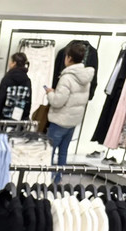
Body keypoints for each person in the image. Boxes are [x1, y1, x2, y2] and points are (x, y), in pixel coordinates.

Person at [45, 42, 95, 182]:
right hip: (73, 121)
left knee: (49, 151)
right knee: (63, 152)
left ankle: (47, 179)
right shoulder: (86, 77)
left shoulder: (67, 77)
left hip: (59, 120)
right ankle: (58, 178)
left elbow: (57, 102)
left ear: (69, 58)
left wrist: (50, 93)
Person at [0, 52, 32, 120]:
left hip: (4, 117)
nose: (9, 64)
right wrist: (25, 117)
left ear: (14, 63)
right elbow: (28, 101)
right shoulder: (27, 80)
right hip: (20, 118)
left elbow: (1, 99)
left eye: (10, 61)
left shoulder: (7, 78)